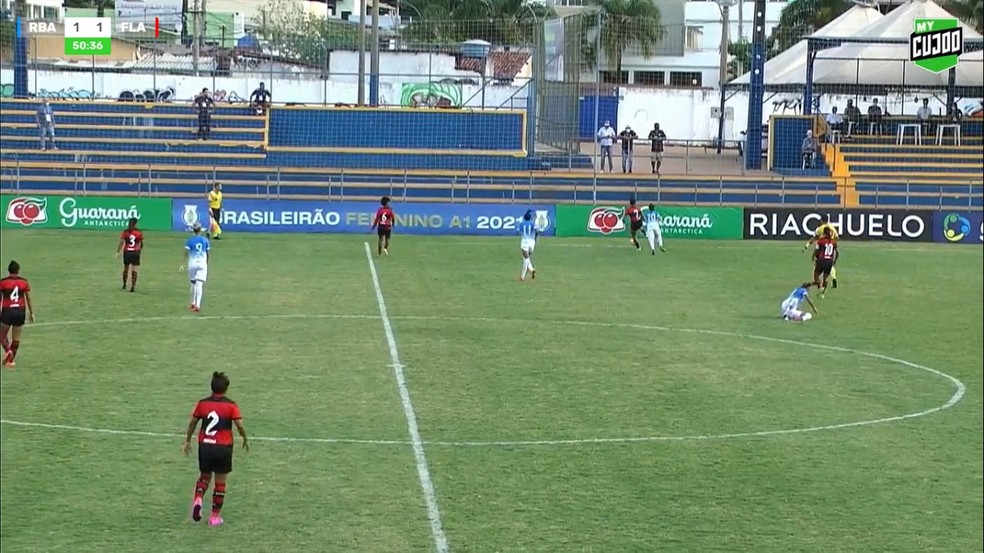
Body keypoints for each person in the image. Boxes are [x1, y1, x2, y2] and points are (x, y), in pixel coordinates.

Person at [183, 371, 249, 526]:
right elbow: (239, 425)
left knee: (204, 477)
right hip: (223, 447)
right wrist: (245, 438)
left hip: (205, 446)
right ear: (226, 388)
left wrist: (187, 441)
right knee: (220, 483)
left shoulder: (203, 404)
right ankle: (214, 517)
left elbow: (193, 423)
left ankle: (198, 499)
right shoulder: (231, 405)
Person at [0, 261, 34, 369]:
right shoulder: (24, 282)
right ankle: (10, 361)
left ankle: (8, 351)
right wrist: (31, 313)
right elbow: (28, 298)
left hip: (7, 311)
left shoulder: (3, 282)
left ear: (9, 270)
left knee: (2, 335)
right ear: (18, 270)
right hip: (20, 312)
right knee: (16, 338)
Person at [180, 224, 211, 313]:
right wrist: (207, 262)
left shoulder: (190, 240)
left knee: (193, 283)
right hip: (202, 264)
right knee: (199, 284)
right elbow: (208, 253)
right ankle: (197, 305)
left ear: (193, 230)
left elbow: (186, 253)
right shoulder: (205, 240)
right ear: (200, 230)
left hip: (192, 263)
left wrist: (182, 264)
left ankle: (192, 302)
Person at [804, 214, 840, 288]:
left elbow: (814, 238)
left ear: (821, 220)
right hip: (831, 248)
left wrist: (807, 246)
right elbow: (837, 238)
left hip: (822, 248)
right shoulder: (832, 228)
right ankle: (833, 277)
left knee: (817, 269)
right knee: (830, 265)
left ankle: (818, 283)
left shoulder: (820, 229)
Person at [116, 217, 144, 293]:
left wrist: (118, 251)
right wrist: (139, 250)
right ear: (135, 224)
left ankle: (124, 284)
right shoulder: (139, 232)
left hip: (127, 252)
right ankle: (133, 286)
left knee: (126, 268)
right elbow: (141, 243)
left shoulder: (125, 232)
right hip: (135, 252)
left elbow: (122, 242)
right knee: (134, 269)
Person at [812, 228, 838, 297]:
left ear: (824, 233)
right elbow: (837, 252)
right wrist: (834, 260)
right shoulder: (833, 241)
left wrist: (814, 256)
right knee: (825, 278)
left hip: (821, 260)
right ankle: (822, 293)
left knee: (816, 274)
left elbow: (817, 250)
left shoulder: (821, 241)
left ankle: (819, 287)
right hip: (829, 261)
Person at [517, 210, 537, 281]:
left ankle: (522, 276)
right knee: (526, 258)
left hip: (524, 242)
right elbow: (537, 231)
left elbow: (518, 232)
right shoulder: (533, 223)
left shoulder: (522, 223)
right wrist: (535, 239)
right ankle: (531, 270)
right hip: (532, 242)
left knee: (525, 259)